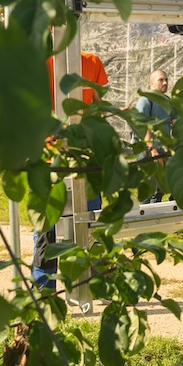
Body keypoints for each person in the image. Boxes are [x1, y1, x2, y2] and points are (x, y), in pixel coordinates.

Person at [34, 51, 108, 290]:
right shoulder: (40, 61)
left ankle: (84, 284)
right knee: (54, 227)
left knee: (85, 222)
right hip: (56, 158)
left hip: (77, 158)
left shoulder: (90, 61)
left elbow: (99, 108)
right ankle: (47, 286)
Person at [134, 69, 174, 203]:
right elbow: (141, 126)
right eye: (161, 80)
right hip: (149, 152)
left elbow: (176, 121)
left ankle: (158, 221)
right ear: (151, 83)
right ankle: (142, 222)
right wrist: (152, 149)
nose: (165, 83)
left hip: (164, 152)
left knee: (159, 192)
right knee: (148, 192)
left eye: (166, 79)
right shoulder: (145, 100)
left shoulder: (168, 101)